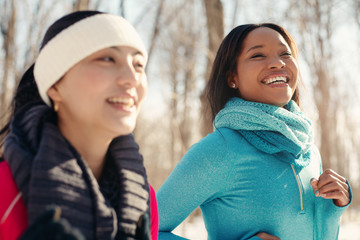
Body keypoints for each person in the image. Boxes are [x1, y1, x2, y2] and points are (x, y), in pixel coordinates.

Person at [156, 23, 352, 240]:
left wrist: (334, 207)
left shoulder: (308, 150)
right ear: (233, 78)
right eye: (258, 55)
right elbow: (143, 231)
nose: (278, 63)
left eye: (285, 53)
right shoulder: (220, 149)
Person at [0, 10, 158, 240]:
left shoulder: (145, 200)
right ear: (54, 86)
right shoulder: (5, 189)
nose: (132, 78)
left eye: (138, 64)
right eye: (107, 59)